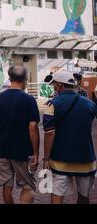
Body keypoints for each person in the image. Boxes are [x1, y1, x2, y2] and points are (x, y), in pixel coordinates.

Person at [0, 66, 40, 204]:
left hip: (2, 149)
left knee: (7, 185)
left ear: (10, 79)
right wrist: (36, 153)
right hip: (22, 151)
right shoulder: (29, 100)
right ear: (25, 80)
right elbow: (33, 127)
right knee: (28, 185)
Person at [43, 71, 97, 204]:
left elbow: (49, 133)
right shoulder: (89, 104)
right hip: (86, 159)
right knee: (84, 196)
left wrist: (46, 158)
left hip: (60, 160)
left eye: (54, 84)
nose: (54, 87)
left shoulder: (52, 105)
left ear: (60, 85)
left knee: (57, 194)